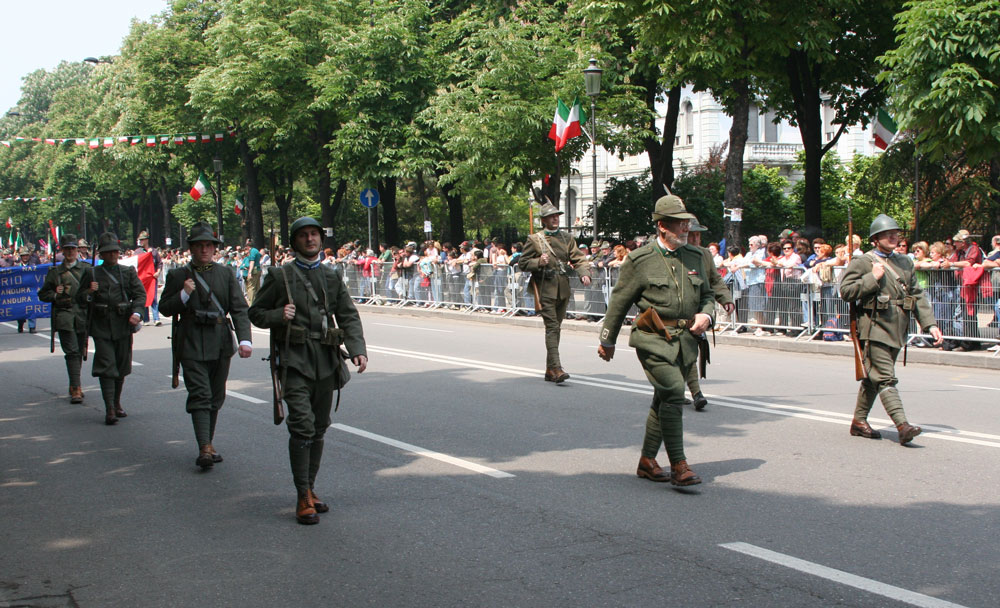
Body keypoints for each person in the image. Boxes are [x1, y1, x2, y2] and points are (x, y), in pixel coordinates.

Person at [248, 217, 367, 525]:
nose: (310, 239)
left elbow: (348, 315)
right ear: (295, 242)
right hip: (294, 360)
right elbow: (256, 313)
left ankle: (310, 487)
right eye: (304, 235)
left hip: (326, 360)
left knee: (319, 427)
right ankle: (302, 496)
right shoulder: (280, 276)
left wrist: (357, 350)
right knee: (302, 425)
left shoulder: (331, 276)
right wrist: (278, 314)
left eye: (314, 234)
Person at [598, 194, 715, 486]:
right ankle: (680, 466)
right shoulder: (640, 260)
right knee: (675, 392)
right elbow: (619, 302)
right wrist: (607, 340)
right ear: (662, 226)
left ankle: (647, 461)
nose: (685, 228)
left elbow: (709, 295)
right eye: (678, 223)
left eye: (686, 222)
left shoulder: (697, 257)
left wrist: (707, 315)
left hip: (686, 339)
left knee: (663, 398)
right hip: (652, 338)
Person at [839, 214, 943, 445]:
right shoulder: (863, 262)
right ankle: (902, 425)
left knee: (873, 378)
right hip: (874, 327)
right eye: (888, 234)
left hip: (898, 328)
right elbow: (845, 291)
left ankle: (858, 421)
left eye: (896, 233)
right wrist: (872, 278)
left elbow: (916, 295)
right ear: (875, 239)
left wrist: (930, 324)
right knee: (886, 379)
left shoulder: (905, 261)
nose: (894, 237)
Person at [160, 222, 253, 470]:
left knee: (216, 394)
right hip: (190, 342)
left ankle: (208, 443)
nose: (204, 250)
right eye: (199, 245)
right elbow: (164, 308)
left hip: (220, 341)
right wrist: (183, 295)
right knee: (200, 394)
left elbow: (239, 309)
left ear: (214, 248)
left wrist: (245, 339)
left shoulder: (225, 274)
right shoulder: (178, 276)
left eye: (208, 245)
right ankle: (204, 447)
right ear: (191, 248)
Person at [518, 203, 592, 383]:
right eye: (551, 216)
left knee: (556, 328)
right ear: (543, 220)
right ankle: (557, 368)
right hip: (545, 288)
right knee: (552, 327)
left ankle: (549, 369)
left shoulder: (567, 238)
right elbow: (523, 263)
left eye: (557, 215)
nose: (555, 218)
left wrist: (585, 273)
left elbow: (579, 258)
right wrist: (538, 262)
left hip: (563, 289)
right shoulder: (535, 239)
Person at [85, 233, 147, 425]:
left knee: (121, 366)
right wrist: (89, 291)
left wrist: (137, 313)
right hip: (101, 325)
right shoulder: (92, 273)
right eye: (108, 252)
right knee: (107, 366)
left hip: (122, 324)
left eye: (114, 252)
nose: (112, 255)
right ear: (102, 255)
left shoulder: (127, 272)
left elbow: (139, 295)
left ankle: (117, 402)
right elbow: (79, 300)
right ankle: (109, 408)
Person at [683, 217, 734, 410]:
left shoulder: (705, 254)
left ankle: (693, 393)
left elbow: (715, 280)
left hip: (699, 310)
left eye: (698, 234)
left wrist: (726, 299)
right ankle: (693, 392)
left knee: (689, 352)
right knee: (681, 354)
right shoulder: (675, 254)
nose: (696, 238)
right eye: (691, 234)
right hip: (677, 311)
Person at [38, 234, 94, 404]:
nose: (70, 252)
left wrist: (92, 291)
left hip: (82, 316)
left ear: (77, 250)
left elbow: (94, 294)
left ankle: (74, 383)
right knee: (72, 351)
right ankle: (76, 388)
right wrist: (56, 293)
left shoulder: (86, 269)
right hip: (64, 316)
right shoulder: (55, 273)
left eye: (73, 249)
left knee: (79, 352)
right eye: (67, 249)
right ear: (62, 251)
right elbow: (43, 294)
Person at [135, 230, 163, 326]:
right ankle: (146, 319)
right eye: (140, 240)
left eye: (143, 239)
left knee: (154, 298)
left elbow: (159, 263)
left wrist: (158, 272)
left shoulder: (154, 251)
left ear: (147, 240)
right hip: (142, 279)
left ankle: (156, 318)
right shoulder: (137, 252)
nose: (141, 241)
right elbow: (135, 265)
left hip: (152, 278)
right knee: (144, 298)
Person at [15, 248, 38, 334]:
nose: (25, 257)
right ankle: (20, 323)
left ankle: (32, 326)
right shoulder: (16, 267)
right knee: (20, 309)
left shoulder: (34, 265)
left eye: (26, 255)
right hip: (20, 291)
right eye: (23, 255)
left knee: (32, 307)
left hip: (31, 289)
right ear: (21, 257)